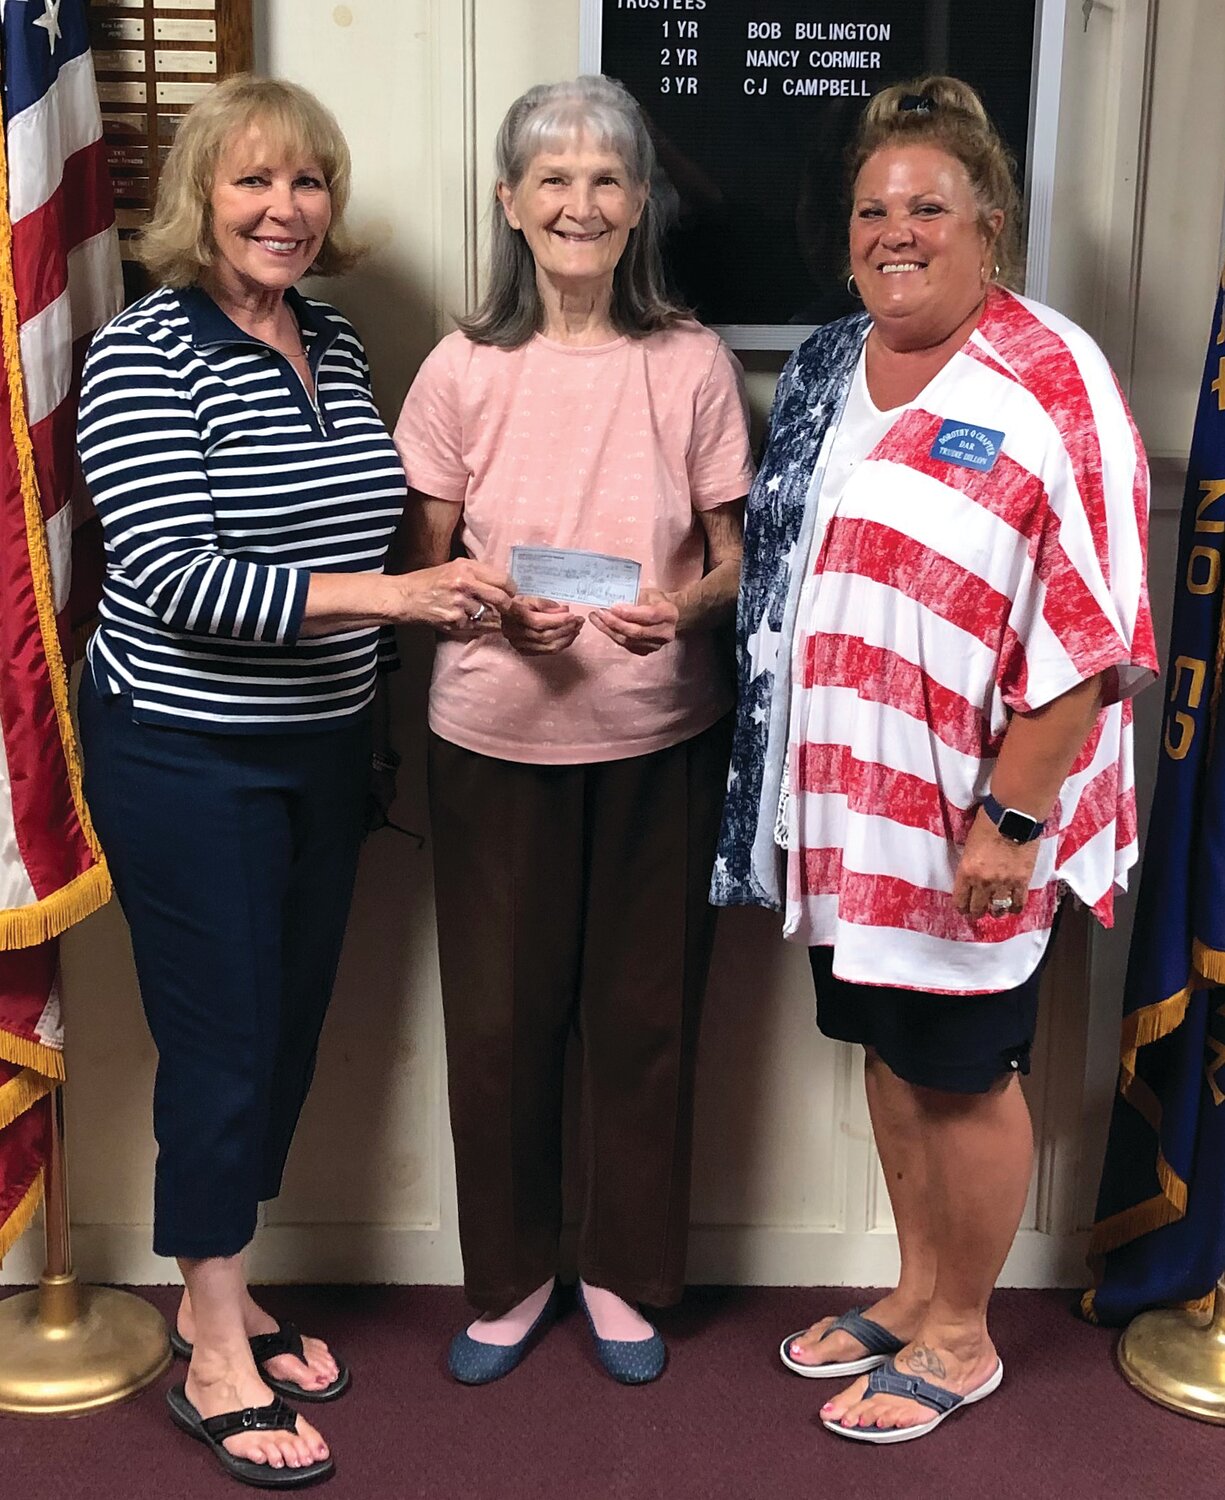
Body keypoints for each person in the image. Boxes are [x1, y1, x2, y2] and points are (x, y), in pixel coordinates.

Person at [76, 75, 512, 1486]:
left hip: (322, 747)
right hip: (183, 751)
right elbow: (175, 576)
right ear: (199, 199)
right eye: (253, 182)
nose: (284, 208)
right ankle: (211, 1348)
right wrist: (396, 600)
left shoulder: (328, 333)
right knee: (221, 1042)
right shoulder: (144, 355)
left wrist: (485, 587)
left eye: (308, 182)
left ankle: (231, 1280)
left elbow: (374, 521)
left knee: (286, 1029)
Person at [712, 76, 1156, 1442]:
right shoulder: (833, 362)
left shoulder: (1047, 374)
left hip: (974, 810)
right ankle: (914, 1291)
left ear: (988, 227)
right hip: (847, 802)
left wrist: (1010, 823)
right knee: (891, 1053)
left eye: (927, 208)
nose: (894, 230)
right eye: (871, 209)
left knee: (963, 1070)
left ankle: (963, 1333)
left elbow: (1092, 627)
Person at [394, 74, 753, 1386]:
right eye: (553, 179)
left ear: (639, 201)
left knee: (644, 1021)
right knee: (496, 1026)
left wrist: (686, 610)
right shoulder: (461, 367)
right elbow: (423, 572)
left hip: (660, 739)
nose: (580, 202)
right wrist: (490, 613)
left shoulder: (693, 361)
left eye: (605, 178)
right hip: (493, 745)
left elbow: (730, 559)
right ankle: (508, 1278)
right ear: (511, 203)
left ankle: (620, 1275)